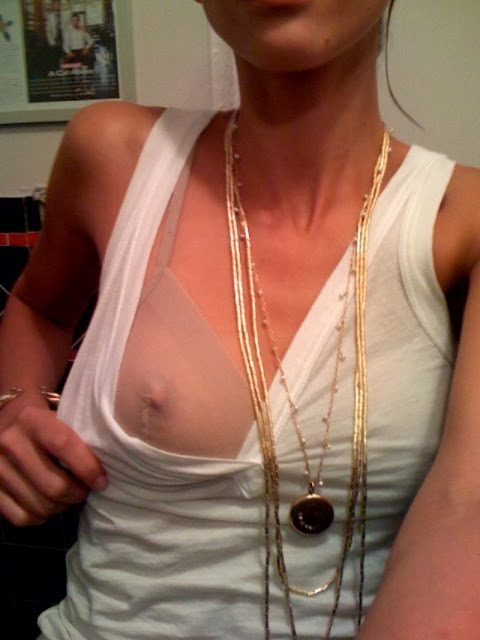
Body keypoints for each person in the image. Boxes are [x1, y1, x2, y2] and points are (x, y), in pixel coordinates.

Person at [0, 1, 479, 638]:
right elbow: (37, 306)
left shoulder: (463, 218)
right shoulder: (112, 155)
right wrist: (13, 403)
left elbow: (467, 504)